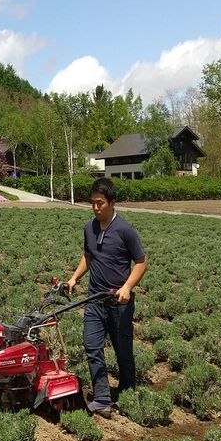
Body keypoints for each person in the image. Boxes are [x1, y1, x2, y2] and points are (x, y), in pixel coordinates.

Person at [66, 177, 147, 418]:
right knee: (92, 346)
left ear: (112, 203)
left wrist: (127, 287)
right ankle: (102, 399)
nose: (95, 208)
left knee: (123, 351)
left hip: (119, 303)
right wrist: (74, 278)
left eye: (100, 203)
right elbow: (88, 256)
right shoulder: (89, 227)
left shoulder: (125, 230)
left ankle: (127, 393)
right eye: (92, 203)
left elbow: (141, 263)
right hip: (94, 300)